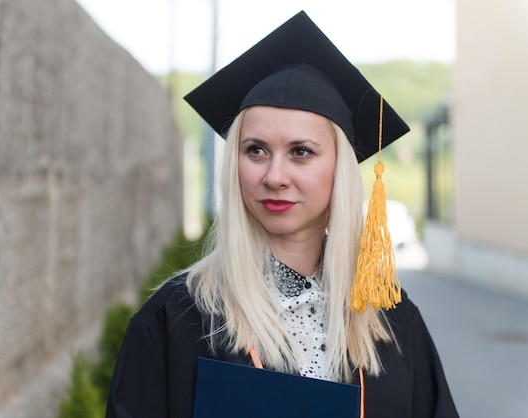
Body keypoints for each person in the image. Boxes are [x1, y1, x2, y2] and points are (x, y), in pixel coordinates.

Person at [106, 11, 459, 418]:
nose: (274, 176)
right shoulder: (177, 319)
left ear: (339, 170)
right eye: (255, 150)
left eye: (301, 152)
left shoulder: (392, 322)